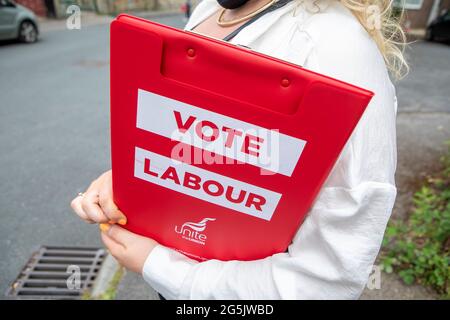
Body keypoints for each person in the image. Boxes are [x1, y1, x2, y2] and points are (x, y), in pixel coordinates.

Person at [71, 0, 407, 299]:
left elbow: (326, 281)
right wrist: (129, 177)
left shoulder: (338, 49)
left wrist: (162, 267)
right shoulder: (210, 9)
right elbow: (188, 136)